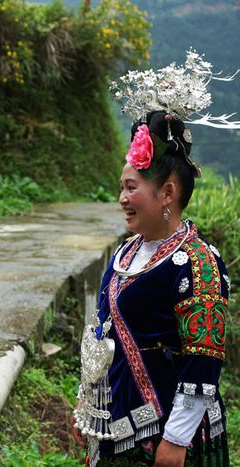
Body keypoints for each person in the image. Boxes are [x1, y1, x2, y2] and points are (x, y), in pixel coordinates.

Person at [73, 50, 236, 467]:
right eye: (121, 188)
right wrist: (88, 407)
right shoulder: (126, 253)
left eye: (131, 187)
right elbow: (101, 336)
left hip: (164, 440)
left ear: (167, 193)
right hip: (114, 425)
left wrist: (177, 440)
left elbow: (205, 354)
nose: (122, 199)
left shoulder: (198, 263)